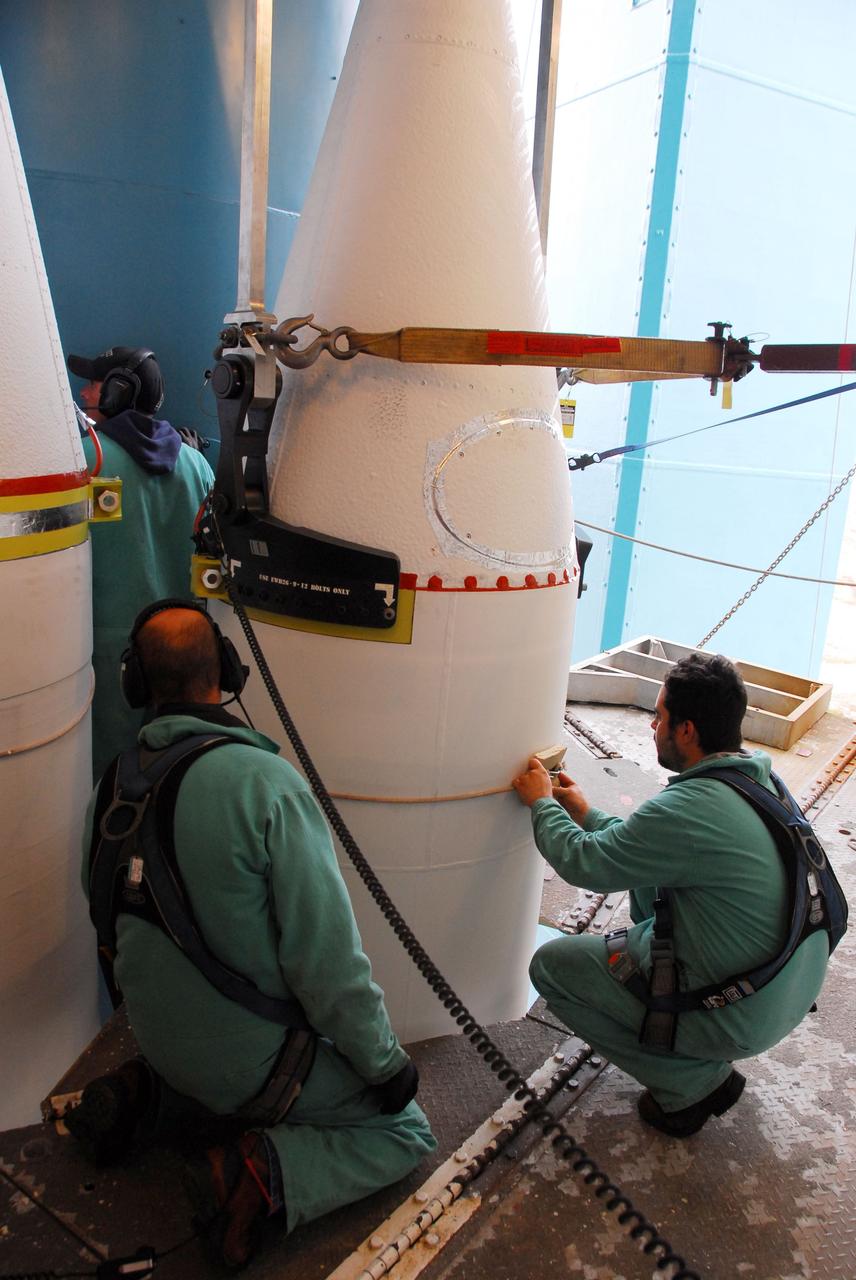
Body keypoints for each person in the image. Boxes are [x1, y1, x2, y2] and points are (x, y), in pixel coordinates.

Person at [69, 600, 436, 1267]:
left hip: (157, 1036)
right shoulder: (267, 786)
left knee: (214, 1054)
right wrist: (386, 1067)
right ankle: (256, 1173)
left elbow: (103, 914)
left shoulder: (111, 787)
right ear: (229, 674)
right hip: (249, 1066)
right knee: (407, 1132)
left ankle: (150, 1099)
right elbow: (331, 973)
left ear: (137, 684)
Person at [512, 652, 830, 1138]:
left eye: (659, 718)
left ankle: (692, 1085)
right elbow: (645, 849)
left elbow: (586, 865)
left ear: (686, 730)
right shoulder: (757, 779)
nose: (652, 727)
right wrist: (587, 814)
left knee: (550, 968)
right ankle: (678, 1026)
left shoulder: (690, 807)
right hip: (788, 986)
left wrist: (541, 803)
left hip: (743, 1009)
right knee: (647, 875)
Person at [67, 346, 215, 780]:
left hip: (110, 653)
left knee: (109, 777)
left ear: (116, 393)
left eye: (94, 383)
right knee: (173, 769)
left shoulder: (85, 464)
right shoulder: (195, 464)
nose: (84, 391)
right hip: (185, 649)